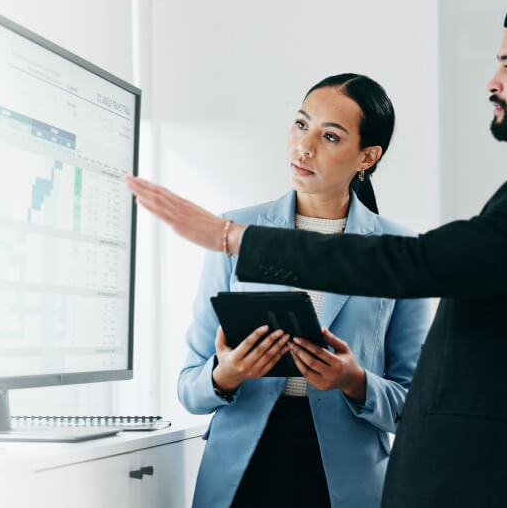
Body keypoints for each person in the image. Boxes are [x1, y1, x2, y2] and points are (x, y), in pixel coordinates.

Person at [129, 0, 507, 507]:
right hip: (245, 473)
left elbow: (414, 265)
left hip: (376, 478)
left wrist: (236, 243)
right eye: (301, 124)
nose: (493, 82)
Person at [178, 74, 430, 508]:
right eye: (300, 124)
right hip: (242, 474)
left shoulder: (400, 254)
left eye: (330, 136)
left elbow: (416, 407)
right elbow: (188, 387)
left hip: (344, 480)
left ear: (366, 156)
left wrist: (355, 382)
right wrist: (227, 374)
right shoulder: (235, 234)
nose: (304, 147)